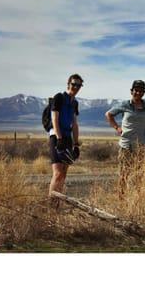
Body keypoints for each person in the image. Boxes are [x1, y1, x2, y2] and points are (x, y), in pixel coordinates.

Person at [105, 80, 145, 191]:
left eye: (141, 91)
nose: (138, 93)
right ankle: (122, 199)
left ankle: (137, 198)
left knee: (139, 175)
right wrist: (117, 128)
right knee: (123, 174)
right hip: (126, 145)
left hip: (142, 146)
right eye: (136, 90)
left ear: (144, 93)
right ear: (132, 91)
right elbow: (108, 114)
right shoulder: (125, 105)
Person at [48, 74, 83, 202]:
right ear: (68, 84)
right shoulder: (59, 97)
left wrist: (76, 144)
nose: (76, 87)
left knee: (63, 173)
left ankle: (57, 203)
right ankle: (51, 204)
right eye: (74, 84)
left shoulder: (74, 103)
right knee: (57, 173)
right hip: (57, 136)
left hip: (68, 138)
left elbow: (74, 124)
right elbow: (54, 118)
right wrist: (59, 138)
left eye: (79, 85)